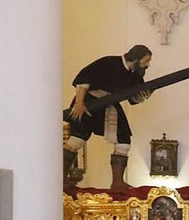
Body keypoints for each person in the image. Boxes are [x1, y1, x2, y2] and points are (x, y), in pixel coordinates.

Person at [65, 46, 153, 194]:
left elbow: (134, 97)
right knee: (77, 140)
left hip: (109, 103)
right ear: (136, 58)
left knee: (123, 142)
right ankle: (60, 178)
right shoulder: (108, 62)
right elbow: (84, 79)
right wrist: (79, 103)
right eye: (146, 61)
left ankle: (118, 183)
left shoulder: (135, 75)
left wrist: (144, 96)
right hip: (89, 103)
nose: (148, 65)